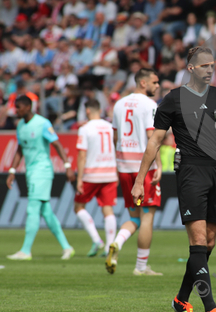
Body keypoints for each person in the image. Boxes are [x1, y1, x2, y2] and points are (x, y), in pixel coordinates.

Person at [131, 46, 216, 312]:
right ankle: (211, 308)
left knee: (208, 243)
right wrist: (139, 180)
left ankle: (181, 299)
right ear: (191, 68)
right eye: (204, 65)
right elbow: (155, 142)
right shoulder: (173, 100)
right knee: (197, 241)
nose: (210, 70)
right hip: (190, 173)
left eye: (212, 66)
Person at [105, 68, 163, 276]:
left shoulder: (119, 104)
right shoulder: (149, 105)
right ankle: (141, 267)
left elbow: (114, 136)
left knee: (135, 217)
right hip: (143, 168)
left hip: (124, 166)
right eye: (155, 83)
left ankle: (117, 243)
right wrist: (158, 164)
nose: (158, 86)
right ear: (143, 83)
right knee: (147, 216)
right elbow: (152, 136)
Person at [6, 95, 76, 261]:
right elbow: (20, 149)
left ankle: (25, 250)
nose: (16, 110)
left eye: (19, 107)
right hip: (30, 172)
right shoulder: (21, 125)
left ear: (28, 107)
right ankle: (67, 247)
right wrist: (12, 171)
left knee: (32, 209)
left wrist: (67, 167)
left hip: (42, 171)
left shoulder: (43, 123)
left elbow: (57, 144)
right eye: (16, 107)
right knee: (46, 212)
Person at [74, 99, 118, 257]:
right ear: (100, 110)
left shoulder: (85, 129)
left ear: (87, 111)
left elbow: (82, 155)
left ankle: (96, 240)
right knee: (108, 209)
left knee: (78, 207)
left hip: (91, 174)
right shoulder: (109, 126)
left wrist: (79, 178)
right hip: (110, 172)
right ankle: (109, 246)